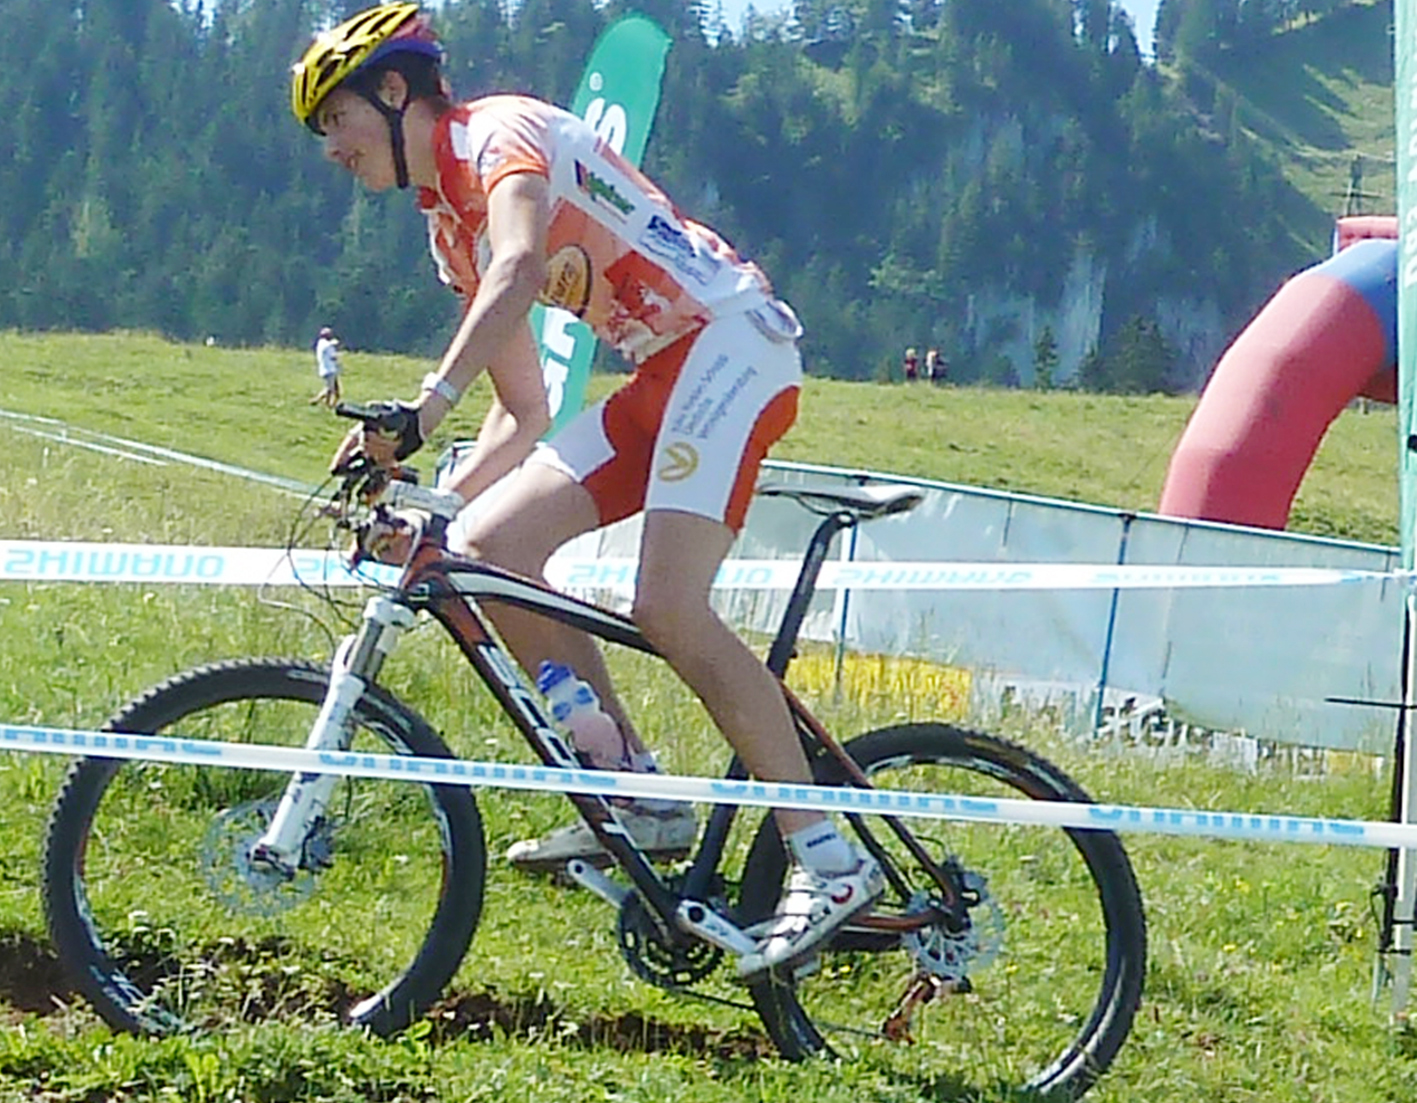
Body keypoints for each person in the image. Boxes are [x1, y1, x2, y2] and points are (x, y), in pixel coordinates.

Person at [292, 3, 882, 978]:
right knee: (485, 548)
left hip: (729, 345)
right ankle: (633, 788)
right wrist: (428, 504)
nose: (331, 149)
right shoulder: (447, 225)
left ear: (394, 92)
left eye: (336, 120)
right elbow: (521, 408)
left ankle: (828, 857)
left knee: (667, 605)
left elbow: (523, 265)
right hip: (664, 373)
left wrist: (423, 408)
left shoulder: (497, 136)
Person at [310, 326, 343, 407]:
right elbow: (333, 356)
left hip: (327, 369)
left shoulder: (320, 344)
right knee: (329, 389)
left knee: (335, 390)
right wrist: (336, 347)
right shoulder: (327, 345)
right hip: (329, 370)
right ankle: (316, 400)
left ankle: (330, 404)